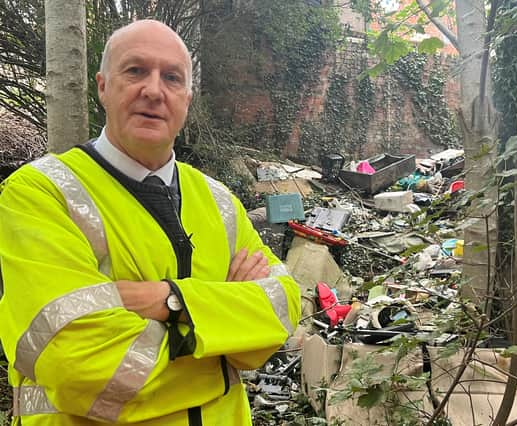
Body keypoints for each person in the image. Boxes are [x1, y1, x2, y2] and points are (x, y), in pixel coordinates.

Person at [0, 19, 301, 425]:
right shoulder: (40, 194)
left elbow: (281, 308)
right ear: (103, 86)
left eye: (172, 77)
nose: (154, 91)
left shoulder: (219, 201)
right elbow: (80, 367)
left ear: (187, 98)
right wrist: (224, 351)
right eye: (136, 70)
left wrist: (169, 300)